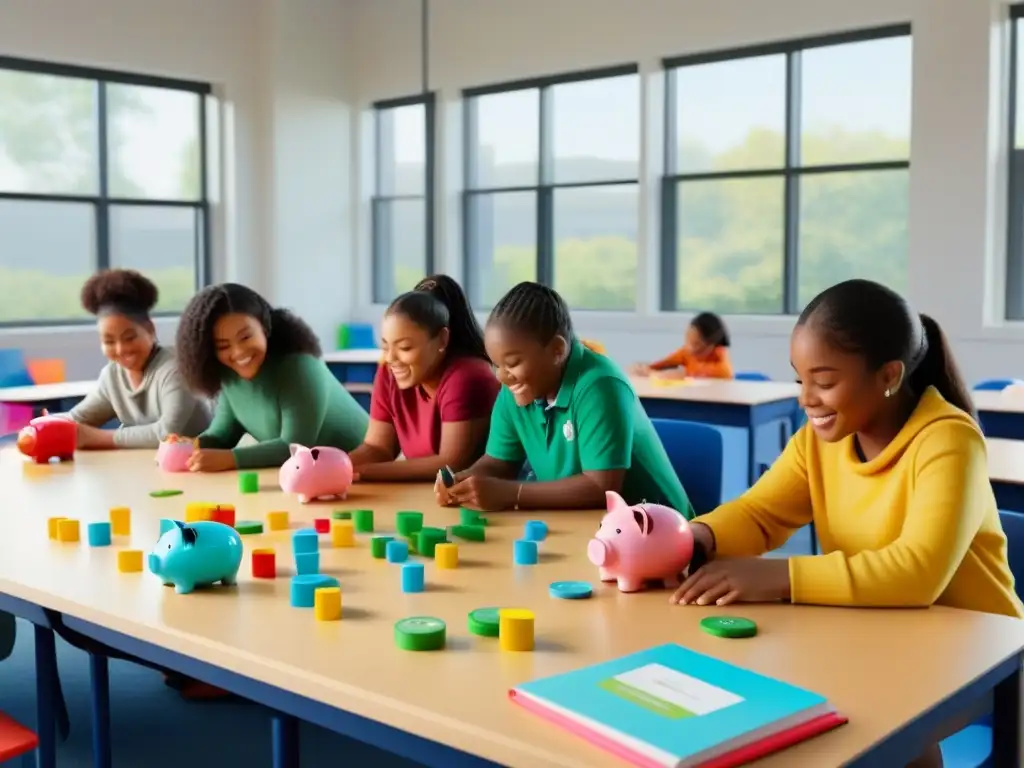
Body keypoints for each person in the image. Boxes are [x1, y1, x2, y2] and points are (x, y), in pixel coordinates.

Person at [670, 279, 1022, 768]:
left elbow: (916, 573)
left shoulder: (948, 441)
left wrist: (778, 577)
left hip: (980, 660)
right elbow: (759, 512)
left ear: (888, 375)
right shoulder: (820, 439)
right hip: (879, 637)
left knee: (856, 729)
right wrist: (692, 539)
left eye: (826, 381)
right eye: (800, 380)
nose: (806, 399)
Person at [435, 282, 693, 516]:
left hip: (657, 535)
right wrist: (465, 482)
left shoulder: (600, 386)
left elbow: (601, 487)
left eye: (512, 363)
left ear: (557, 350)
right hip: (588, 525)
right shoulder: (517, 388)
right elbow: (498, 462)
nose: (502, 377)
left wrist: (508, 493)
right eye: (496, 365)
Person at [175, 283, 369, 471]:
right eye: (223, 346)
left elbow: (294, 447)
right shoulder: (229, 375)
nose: (238, 352)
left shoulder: (300, 367)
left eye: (246, 337)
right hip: (308, 476)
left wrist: (232, 459)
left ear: (265, 327)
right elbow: (223, 435)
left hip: (364, 469)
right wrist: (190, 446)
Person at [348, 275, 500, 481]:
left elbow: (451, 463)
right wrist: (335, 465)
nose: (391, 358)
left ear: (442, 339)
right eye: (385, 346)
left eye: (405, 347)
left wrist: (360, 472)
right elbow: (378, 448)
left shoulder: (467, 377)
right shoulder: (389, 371)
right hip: (422, 497)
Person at [61, 269, 212, 449]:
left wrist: (96, 437)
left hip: (194, 467)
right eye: (108, 341)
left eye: (129, 337)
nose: (120, 349)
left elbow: (168, 433)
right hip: (143, 469)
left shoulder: (175, 368)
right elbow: (77, 419)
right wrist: (45, 424)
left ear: (150, 329)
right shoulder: (112, 376)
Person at [630, 311, 733, 380]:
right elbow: (660, 365)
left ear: (712, 344)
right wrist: (643, 368)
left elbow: (688, 375)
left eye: (696, 344)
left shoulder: (720, 363)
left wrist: (657, 375)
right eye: (688, 341)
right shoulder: (687, 352)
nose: (690, 349)